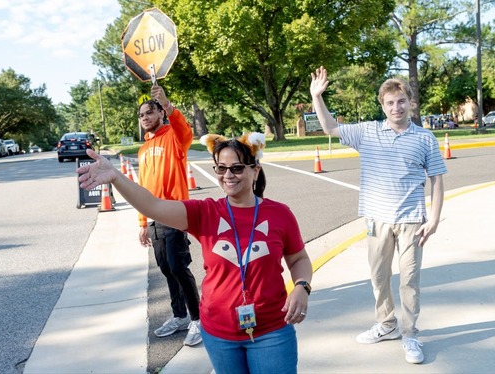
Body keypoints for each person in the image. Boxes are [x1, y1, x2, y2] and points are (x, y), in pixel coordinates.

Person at [77, 132, 313, 374]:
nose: (228, 175)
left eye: (237, 168)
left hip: (271, 331)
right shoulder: (205, 212)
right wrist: (116, 177)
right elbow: (152, 205)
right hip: (219, 334)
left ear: (255, 170)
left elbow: (298, 259)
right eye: (221, 168)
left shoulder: (279, 214)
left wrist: (301, 286)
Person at [310, 66, 447, 365]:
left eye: (401, 101)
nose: (396, 107)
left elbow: (437, 179)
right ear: (382, 105)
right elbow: (330, 128)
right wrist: (316, 97)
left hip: (412, 220)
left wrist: (434, 219)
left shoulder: (424, 139)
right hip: (376, 219)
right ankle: (386, 325)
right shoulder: (367, 132)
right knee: (378, 277)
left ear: (410, 102)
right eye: (390, 103)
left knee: (409, 279)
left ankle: (410, 333)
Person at [137, 85, 202, 347]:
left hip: (174, 212)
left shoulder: (173, 137)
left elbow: (185, 130)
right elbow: (142, 188)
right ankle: (179, 316)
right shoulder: (142, 150)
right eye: (141, 115)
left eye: (149, 112)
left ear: (161, 114)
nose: (144, 117)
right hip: (153, 218)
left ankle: (198, 319)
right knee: (166, 269)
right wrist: (143, 222)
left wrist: (166, 102)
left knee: (178, 266)